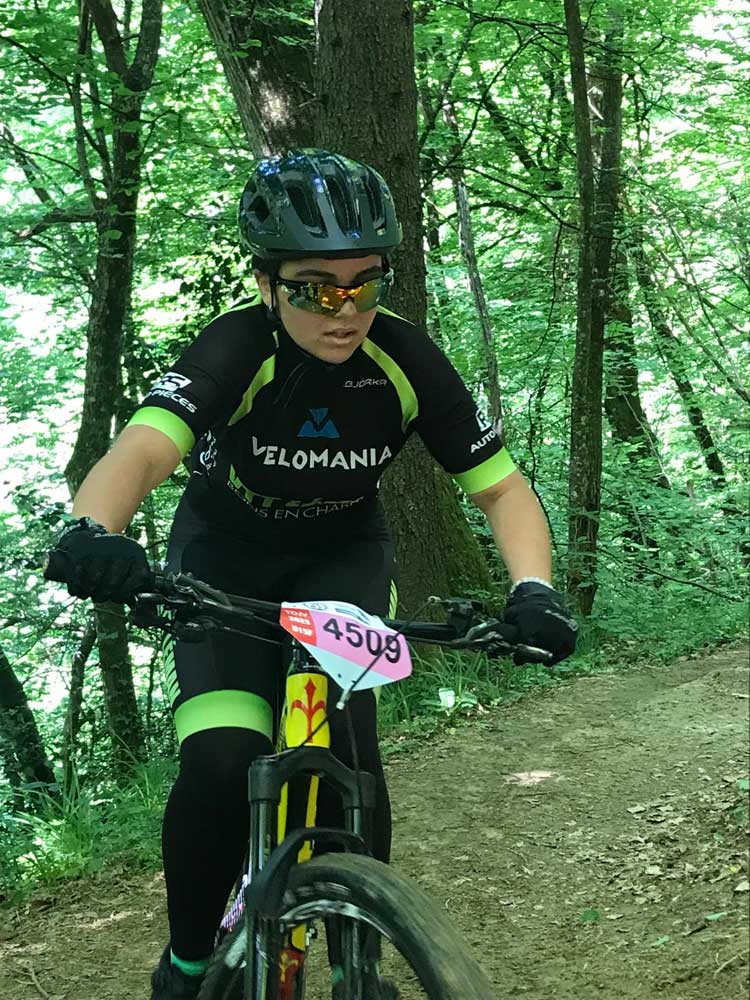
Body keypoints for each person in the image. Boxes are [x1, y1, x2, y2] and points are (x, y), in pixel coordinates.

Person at [50, 149, 577, 999]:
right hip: (223, 558)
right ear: (267, 284)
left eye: (365, 284)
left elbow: (502, 489)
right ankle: (187, 964)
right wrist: (91, 531)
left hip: (341, 558)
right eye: (316, 289)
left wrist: (534, 591)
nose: (346, 310)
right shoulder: (235, 347)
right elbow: (144, 448)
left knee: (353, 760)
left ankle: (356, 963)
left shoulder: (405, 359)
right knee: (223, 758)